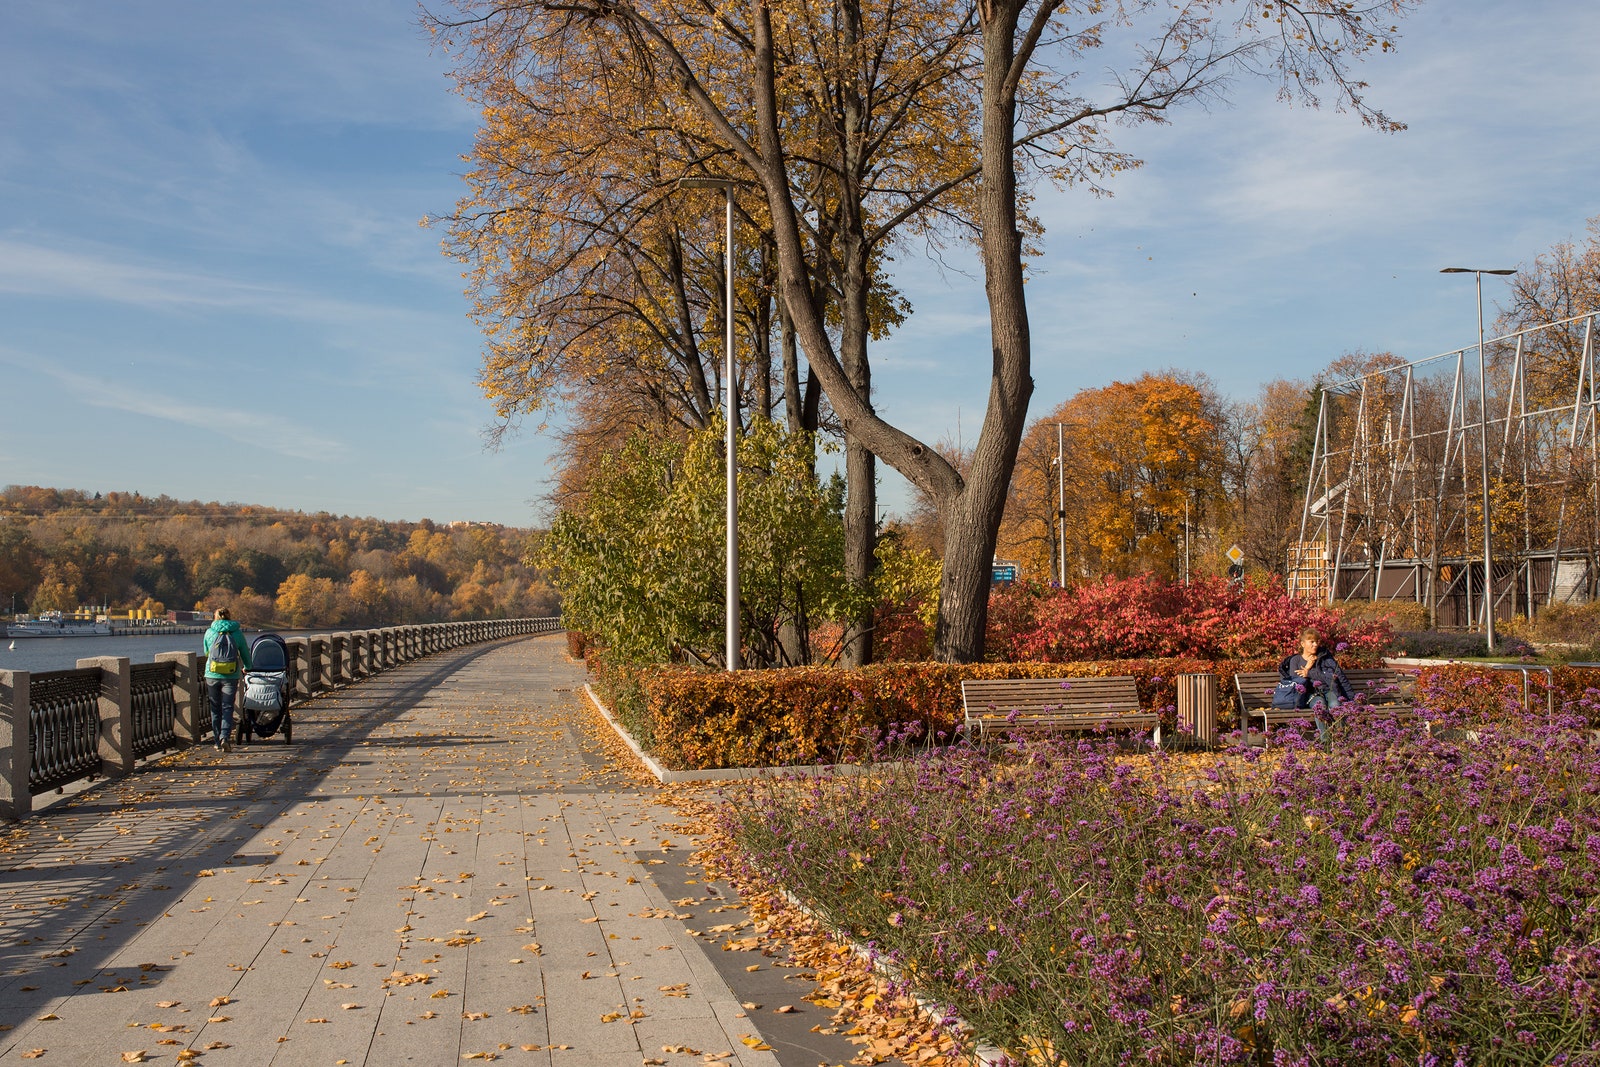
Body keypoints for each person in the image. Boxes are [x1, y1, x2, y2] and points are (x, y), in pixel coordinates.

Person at [1279, 627, 1353, 745]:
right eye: (1311, 642)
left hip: (1328, 690)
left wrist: (1309, 672)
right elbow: (1296, 683)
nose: (1315, 644)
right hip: (1311, 694)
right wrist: (1308, 665)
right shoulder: (1295, 661)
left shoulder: (1323, 658)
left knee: (1335, 706)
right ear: (1303, 644)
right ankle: (1325, 742)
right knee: (1320, 707)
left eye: (1317, 641)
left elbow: (1332, 677)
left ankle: (1342, 739)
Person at [202, 607, 251, 753]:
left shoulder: (210, 632)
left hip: (212, 674)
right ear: (230, 617)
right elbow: (244, 652)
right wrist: (248, 667)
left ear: (215, 617)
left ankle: (217, 741)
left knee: (215, 708)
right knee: (227, 707)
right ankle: (225, 737)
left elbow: (206, 652)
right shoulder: (237, 633)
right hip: (231, 675)